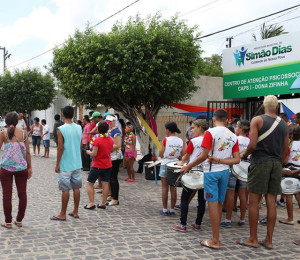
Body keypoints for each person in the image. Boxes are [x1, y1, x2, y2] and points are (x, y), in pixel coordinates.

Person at [181, 109, 240, 249]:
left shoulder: (210, 133)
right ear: (227, 119)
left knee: (212, 204)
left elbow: (203, 156)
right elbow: (236, 159)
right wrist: (220, 160)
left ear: (213, 119)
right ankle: (216, 237)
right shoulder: (233, 135)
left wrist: (187, 166)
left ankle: (215, 240)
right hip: (225, 172)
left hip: (211, 172)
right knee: (219, 204)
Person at [237, 95, 289, 249]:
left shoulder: (257, 120)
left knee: (254, 202)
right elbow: (285, 151)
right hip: (276, 164)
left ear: (263, 105)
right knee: (271, 202)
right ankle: (269, 240)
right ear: (277, 107)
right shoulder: (284, 125)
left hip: (260, 162)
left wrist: (244, 154)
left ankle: (253, 239)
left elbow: (252, 145)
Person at [173, 119, 208, 232]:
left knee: (184, 198)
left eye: (193, 128)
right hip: (206, 172)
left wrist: (181, 162)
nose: (191, 130)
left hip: (193, 172)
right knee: (202, 200)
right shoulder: (210, 140)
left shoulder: (194, 141)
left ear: (200, 128)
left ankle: (183, 225)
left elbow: (186, 157)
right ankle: (198, 223)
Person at [0, 112, 32, 229]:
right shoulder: (23, 134)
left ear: (6, 122)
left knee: (6, 195)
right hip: (21, 168)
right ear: (17, 121)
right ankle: (19, 220)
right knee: (22, 194)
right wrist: (29, 167)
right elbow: (27, 152)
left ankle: (8, 222)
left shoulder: (3, 134)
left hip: (6, 169)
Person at [51, 106, 82, 221]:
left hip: (65, 163)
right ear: (73, 115)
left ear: (63, 115)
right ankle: (76, 211)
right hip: (76, 162)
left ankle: (62, 213)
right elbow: (79, 145)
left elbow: (60, 148)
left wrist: (57, 164)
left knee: (65, 189)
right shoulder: (79, 127)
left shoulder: (61, 129)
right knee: (76, 188)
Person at [220, 119, 250, 228]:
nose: (235, 128)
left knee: (230, 193)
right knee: (243, 193)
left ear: (241, 129)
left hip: (234, 167)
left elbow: (229, 154)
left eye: (237, 127)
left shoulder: (234, 139)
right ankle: (242, 218)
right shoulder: (249, 141)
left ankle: (228, 219)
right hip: (245, 168)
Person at [85, 121, 113, 210]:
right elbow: (111, 150)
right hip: (108, 164)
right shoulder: (110, 139)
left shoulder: (97, 140)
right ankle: (103, 203)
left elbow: (94, 153)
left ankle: (91, 203)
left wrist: (88, 152)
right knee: (105, 183)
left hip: (97, 165)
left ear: (98, 129)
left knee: (89, 183)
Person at [159, 122, 184, 216]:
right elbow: (183, 154)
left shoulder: (166, 140)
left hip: (165, 163)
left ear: (168, 130)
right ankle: (172, 209)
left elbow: (161, 154)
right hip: (175, 164)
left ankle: (165, 209)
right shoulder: (181, 140)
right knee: (173, 188)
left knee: (164, 188)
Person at [279, 126, 300, 225]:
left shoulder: (289, 145)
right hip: (299, 170)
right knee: (299, 194)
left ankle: (290, 218)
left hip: (290, 169)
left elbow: (285, 160)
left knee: (289, 195)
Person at [106, 115, 123, 206]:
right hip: (110, 157)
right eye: (107, 121)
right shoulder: (109, 131)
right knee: (110, 177)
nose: (109, 123)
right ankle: (112, 195)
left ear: (114, 121)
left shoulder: (116, 131)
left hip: (115, 157)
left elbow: (118, 145)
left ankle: (115, 198)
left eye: (110, 121)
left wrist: (106, 148)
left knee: (113, 178)